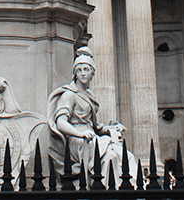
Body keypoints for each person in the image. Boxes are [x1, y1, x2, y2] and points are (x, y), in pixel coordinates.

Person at [47, 47, 136, 184]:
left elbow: (94, 126)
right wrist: (79, 134)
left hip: (90, 136)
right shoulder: (69, 94)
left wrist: (111, 129)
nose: (83, 73)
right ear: (75, 73)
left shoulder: (90, 95)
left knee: (124, 155)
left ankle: (127, 189)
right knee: (110, 154)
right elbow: (61, 122)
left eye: (86, 69)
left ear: (92, 73)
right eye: (79, 70)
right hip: (77, 139)